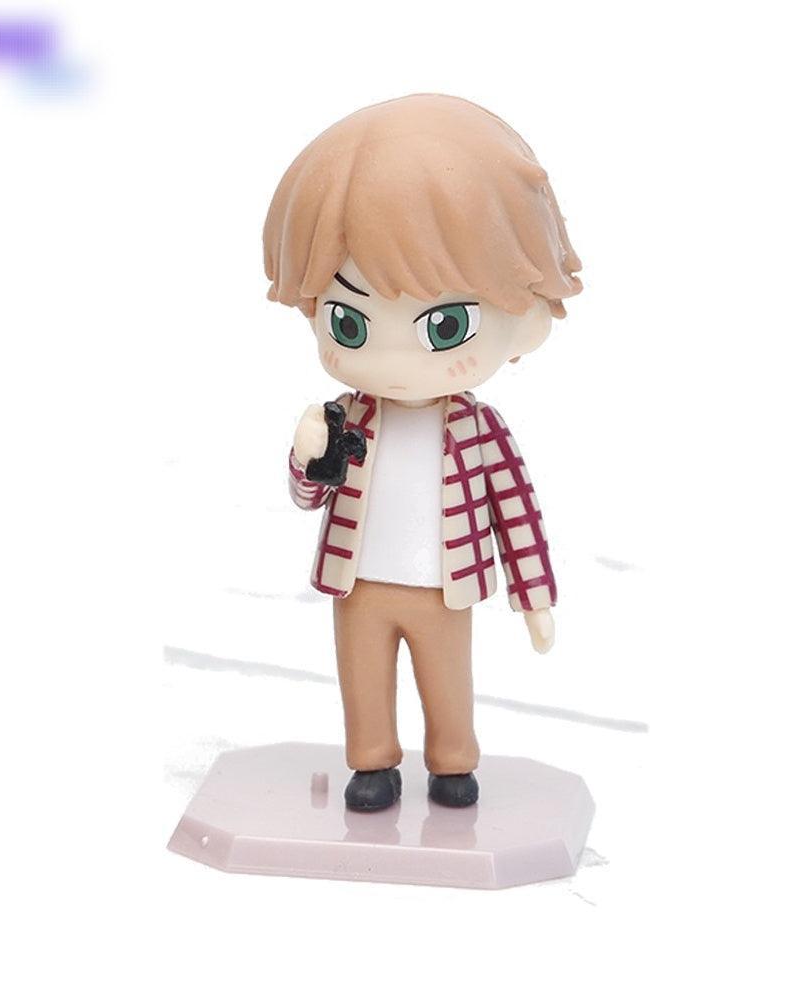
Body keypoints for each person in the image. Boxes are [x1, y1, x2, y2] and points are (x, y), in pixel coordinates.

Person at [264, 94, 582, 811]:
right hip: (357, 582)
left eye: (444, 326)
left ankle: (452, 762)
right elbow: (309, 495)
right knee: (363, 680)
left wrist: (535, 598)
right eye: (349, 322)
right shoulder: (347, 415)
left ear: (525, 318)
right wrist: (309, 458)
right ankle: (371, 763)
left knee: (447, 679)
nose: (394, 360)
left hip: (446, 582)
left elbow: (516, 516)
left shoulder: (477, 429)